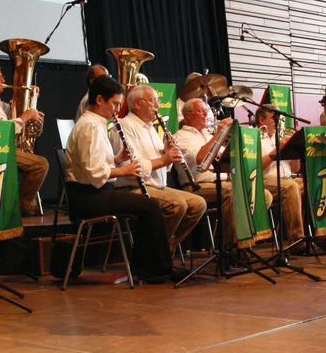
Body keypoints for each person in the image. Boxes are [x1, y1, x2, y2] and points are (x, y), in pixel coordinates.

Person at [64, 75, 180, 282]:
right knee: (150, 206)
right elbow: (93, 173)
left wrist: (118, 159)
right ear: (99, 99)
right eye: (115, 103)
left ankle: (145, 266)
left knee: (148, 206)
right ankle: (158, 268)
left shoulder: (96, 123)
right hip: (87, 197)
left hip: (94, 191)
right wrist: (123, 171)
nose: (118, 109)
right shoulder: (90, 125)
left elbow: (95, 163)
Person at [114, 84, 206, 253]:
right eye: (153, 101)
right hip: (133, 187)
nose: (157, 106)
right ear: (137, 104)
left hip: (158, 187)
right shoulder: (125, 126)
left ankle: (164, 246)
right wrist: (164, 159)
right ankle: (153, 251)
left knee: (198, 204)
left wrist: (167, 153)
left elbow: (164, 166)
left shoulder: (151, 128)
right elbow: (130, 168)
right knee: (177, 205)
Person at [175, 97, 273, 246]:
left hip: (223, 183)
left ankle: (246, 238)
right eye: (201, 111)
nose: (206, 114)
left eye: (206, 111)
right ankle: (231, 246)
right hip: (197, 186)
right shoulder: (181, 136)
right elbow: (201, 158)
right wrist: (219, 133)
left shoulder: (208, 136)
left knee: (263, 195)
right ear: (189, 115)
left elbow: (227, 158)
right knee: (233, 192)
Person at [0, 62, 49, 215]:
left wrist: (29, 97)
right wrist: (27, 116)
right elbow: (4, 130)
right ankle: (19, 206)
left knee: (33, 158)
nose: (3, 81)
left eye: (2, 77)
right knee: (40, 165)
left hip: (1, 149)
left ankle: (20, 204)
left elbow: (10, 112)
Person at [254, 106, 305, 245]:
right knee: (291, 187)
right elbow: (255, 167)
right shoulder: (254, 138)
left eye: (279, 119)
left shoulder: (279, 137)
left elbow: (294, 169)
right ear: (261, 120)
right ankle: (297, 239)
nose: (277, 122)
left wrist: (294, 148)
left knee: (313, 183)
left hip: (286, 179)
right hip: (264, 181)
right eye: (274, 118)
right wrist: (278, 149)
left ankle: (323, 233)